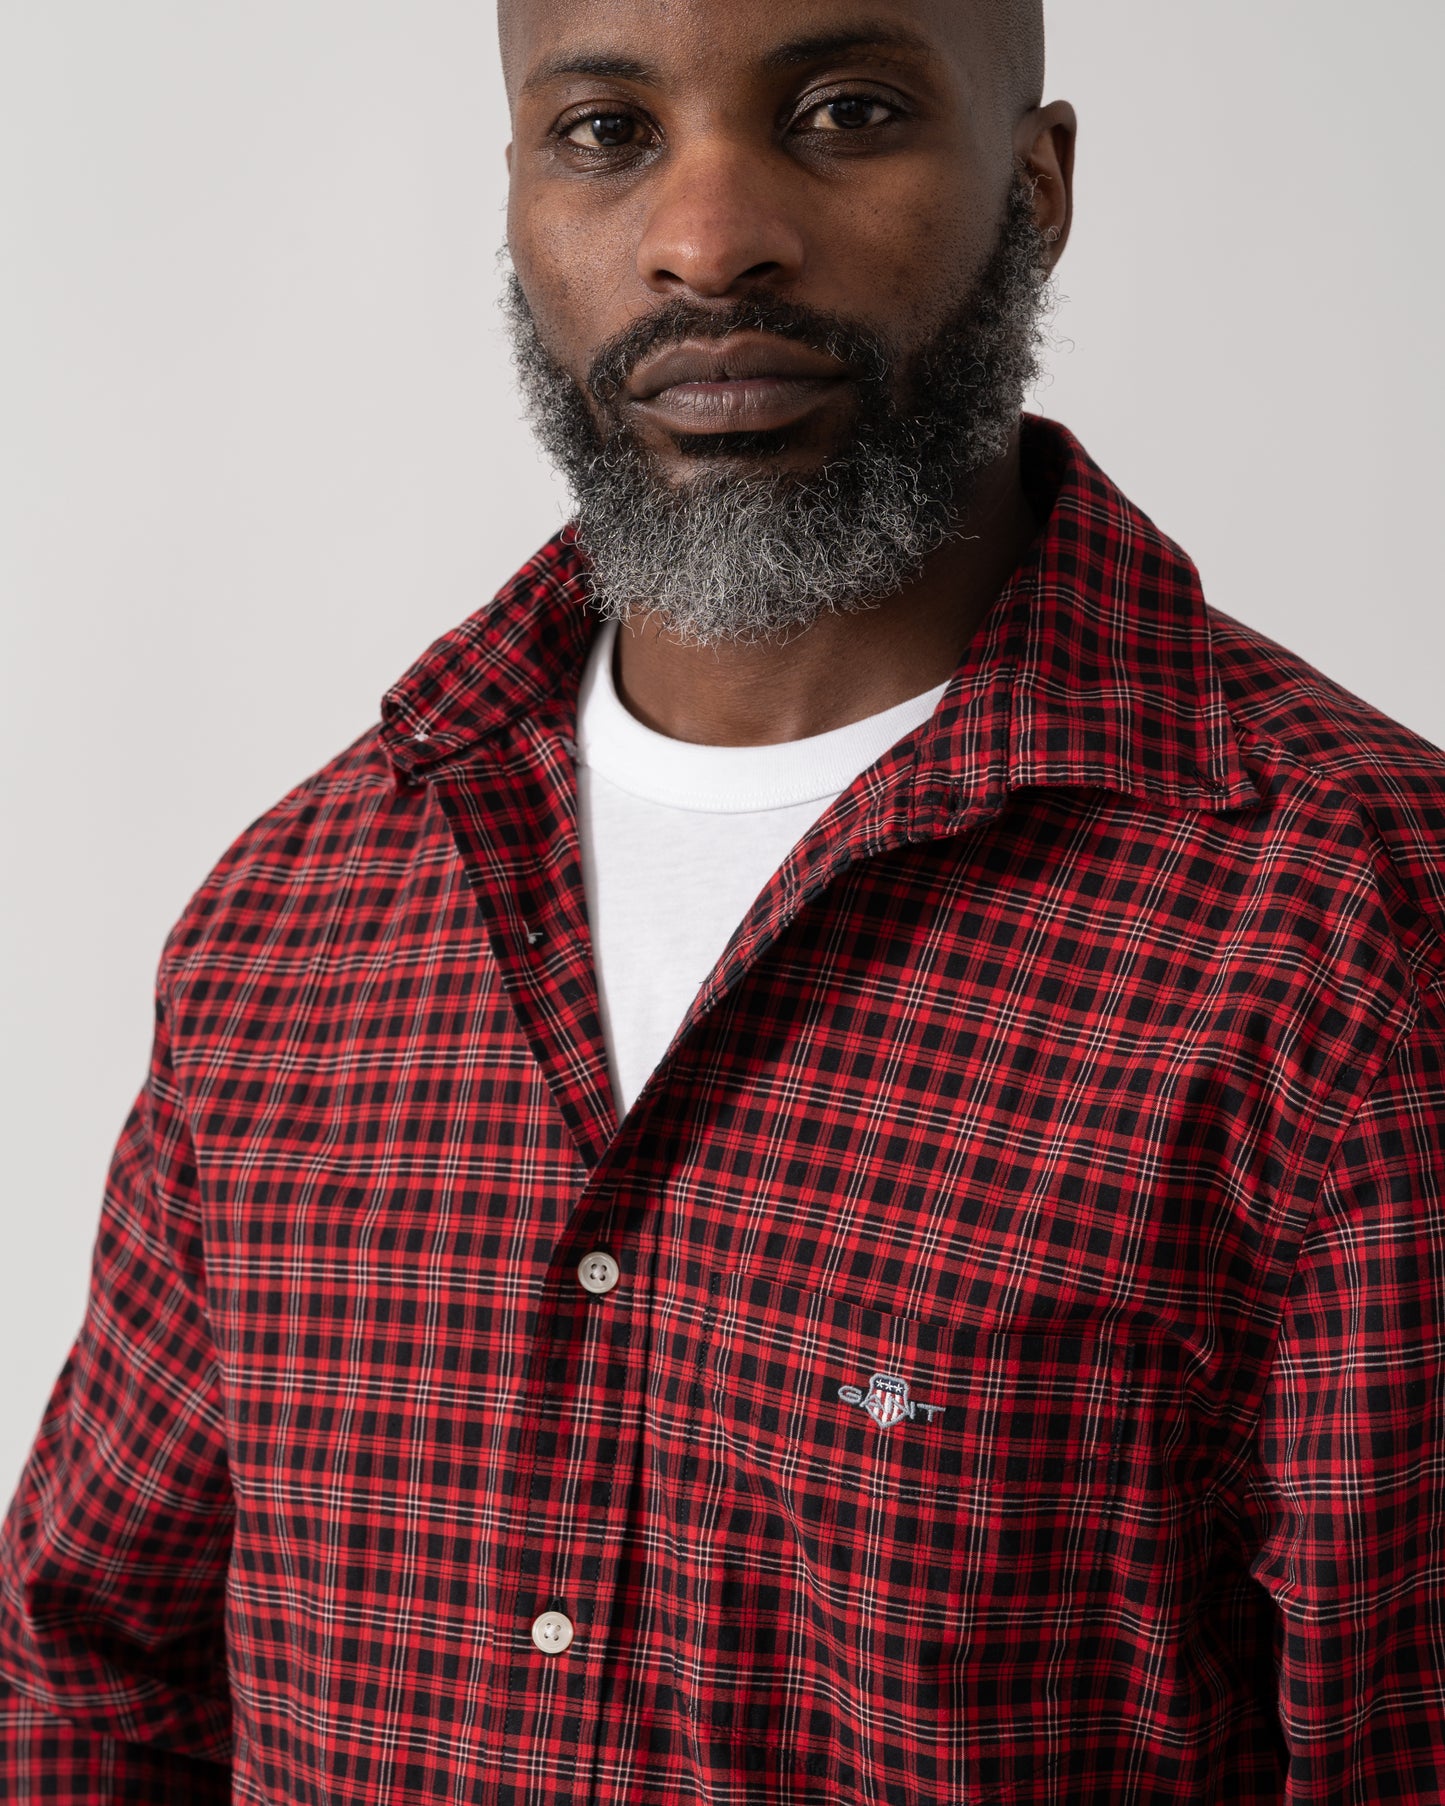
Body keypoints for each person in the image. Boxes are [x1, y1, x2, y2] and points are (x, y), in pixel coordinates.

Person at [3, 0, 1443, 1799]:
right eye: (605, 132)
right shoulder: (298, 916)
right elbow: (91, 1675)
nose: (706, 237)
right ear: (519, 196)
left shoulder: (1353, 932)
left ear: (1038, 181)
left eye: (844, 112)